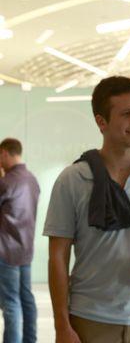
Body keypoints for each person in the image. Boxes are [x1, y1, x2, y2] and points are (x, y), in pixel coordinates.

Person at [44, 76, 130, 343]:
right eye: (127, 113)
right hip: (90, 321)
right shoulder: (72, 179)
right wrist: (62, 325)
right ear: (101, 121)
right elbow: (58, 257)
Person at [0, 138, 40, 343]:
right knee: (26, 300)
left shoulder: (6, 182)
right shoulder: (31, 179)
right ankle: (30, 340)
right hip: (25, 250)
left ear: (5, 153)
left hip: (6, 251)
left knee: (10, 304)